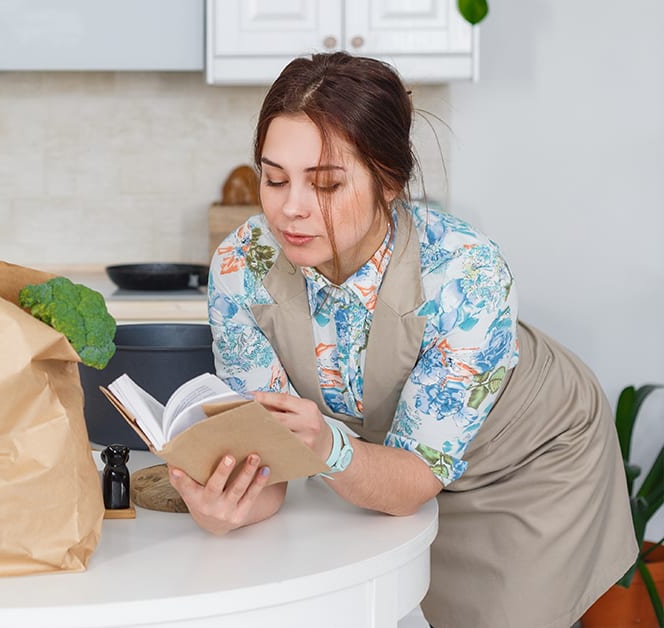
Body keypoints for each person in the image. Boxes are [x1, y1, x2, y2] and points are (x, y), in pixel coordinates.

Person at [174, 51, 636, 628]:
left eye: (326, 183)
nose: (290, 208)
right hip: (380, 461)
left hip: (524, 463)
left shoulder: (466, 272)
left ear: (388, 181)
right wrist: (227, 508)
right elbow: (274, 466)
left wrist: (327, 450)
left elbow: (411, 479)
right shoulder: (242, 267)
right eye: (274, 178)